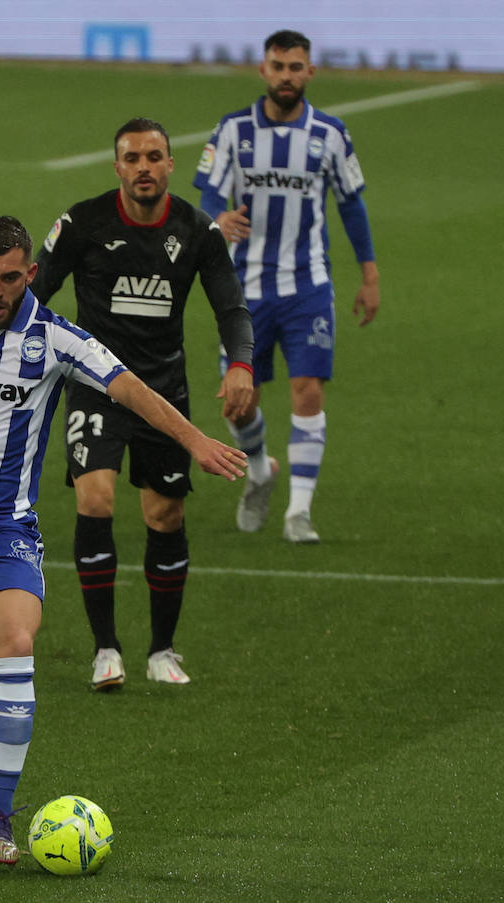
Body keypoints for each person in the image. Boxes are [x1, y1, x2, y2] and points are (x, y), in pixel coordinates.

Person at [0, 216, 245, 865]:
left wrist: (195, 440)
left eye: (11, 277)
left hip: (4, 530)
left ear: (30, 273)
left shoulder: (58, 340)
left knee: (17, 643)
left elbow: (133, 390)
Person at [31, 117, 254, 692]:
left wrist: (240, 364)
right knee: (97, 497)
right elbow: (36, 292)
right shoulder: (83, 223)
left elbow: (230, 307)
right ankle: (105, 648)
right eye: (133, 158)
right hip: (96, 384)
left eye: (154, 156)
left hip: (163, 393)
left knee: (165, 515)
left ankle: (162, 650)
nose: (144, 168)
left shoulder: (197, 230)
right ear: (118, 168)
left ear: (170, 164)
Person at [193, 29, 382, 543]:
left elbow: (351, 203)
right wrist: (217, 219)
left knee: (308, 390)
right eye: (278, 66)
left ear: (310, 73)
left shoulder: (330, 134)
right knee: (238, 403)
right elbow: (207, 195)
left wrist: (369, 274)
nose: (286, 76)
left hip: (308, 287)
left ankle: (299, 511)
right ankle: (259, 471)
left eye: (295, 67)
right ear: (263, 71)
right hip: (244, 291)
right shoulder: (232, 131)